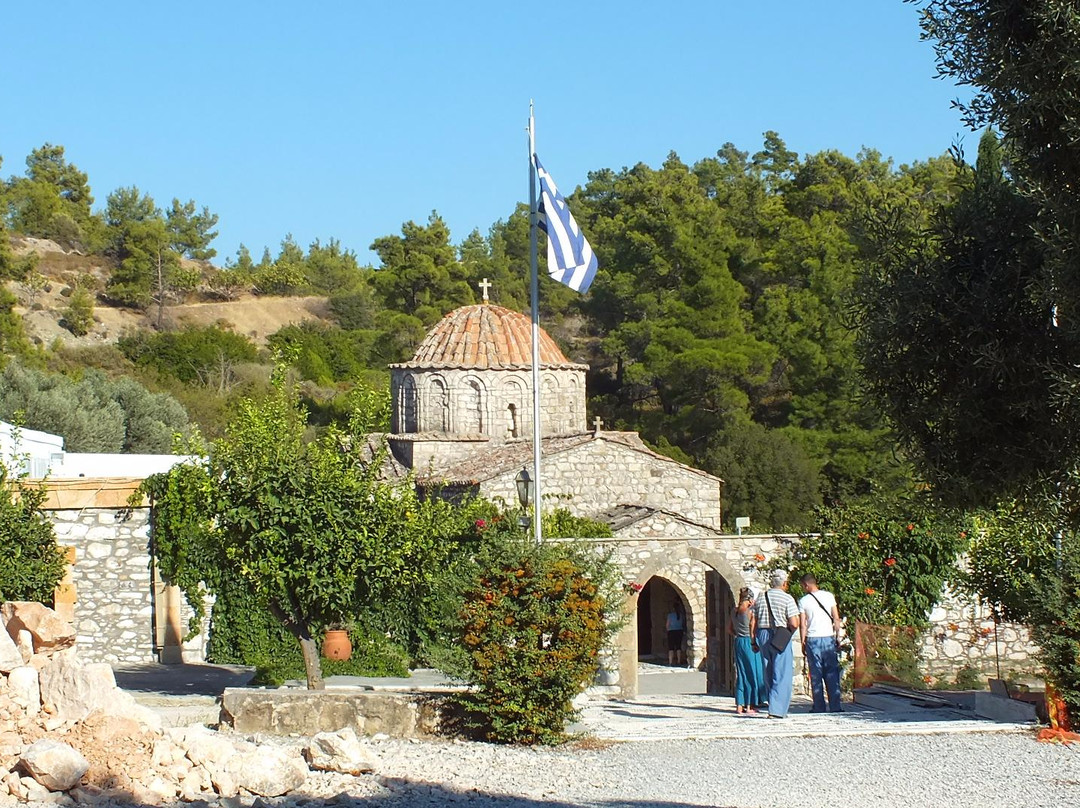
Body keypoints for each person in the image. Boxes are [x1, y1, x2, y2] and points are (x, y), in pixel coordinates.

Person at [753, 570, 800, 718]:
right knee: (782, 672)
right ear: (785, 583)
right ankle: (777, 710)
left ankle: (771, 702)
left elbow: (753, 620)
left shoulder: (761, 598)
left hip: (763, 634)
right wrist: (789, 632)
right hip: (780, 635)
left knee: (768, 670)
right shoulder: (787, 599)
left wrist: (753, 639)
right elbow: (794, 622)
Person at [799, 573, 844, 713]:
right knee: (832, 673)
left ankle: (819, 706)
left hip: (813, 639)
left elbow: (803, 624)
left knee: (816, 674)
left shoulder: (803, 601)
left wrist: (802, 642)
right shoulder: (829, 596)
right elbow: (836, 619)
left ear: (806, 585)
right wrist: (838, 637)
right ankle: (835, 706)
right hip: (828, 637)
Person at [728, 587, 764, 714]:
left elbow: (729, 629)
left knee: (741, 673)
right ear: (749, 599)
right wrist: (754, 642)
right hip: (749, 642)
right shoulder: (750, 612)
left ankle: (739, 704)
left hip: (738, 641)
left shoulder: (734, 611)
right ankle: (749, 705)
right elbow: (753, 628)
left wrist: (737, 634)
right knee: (752, 673)